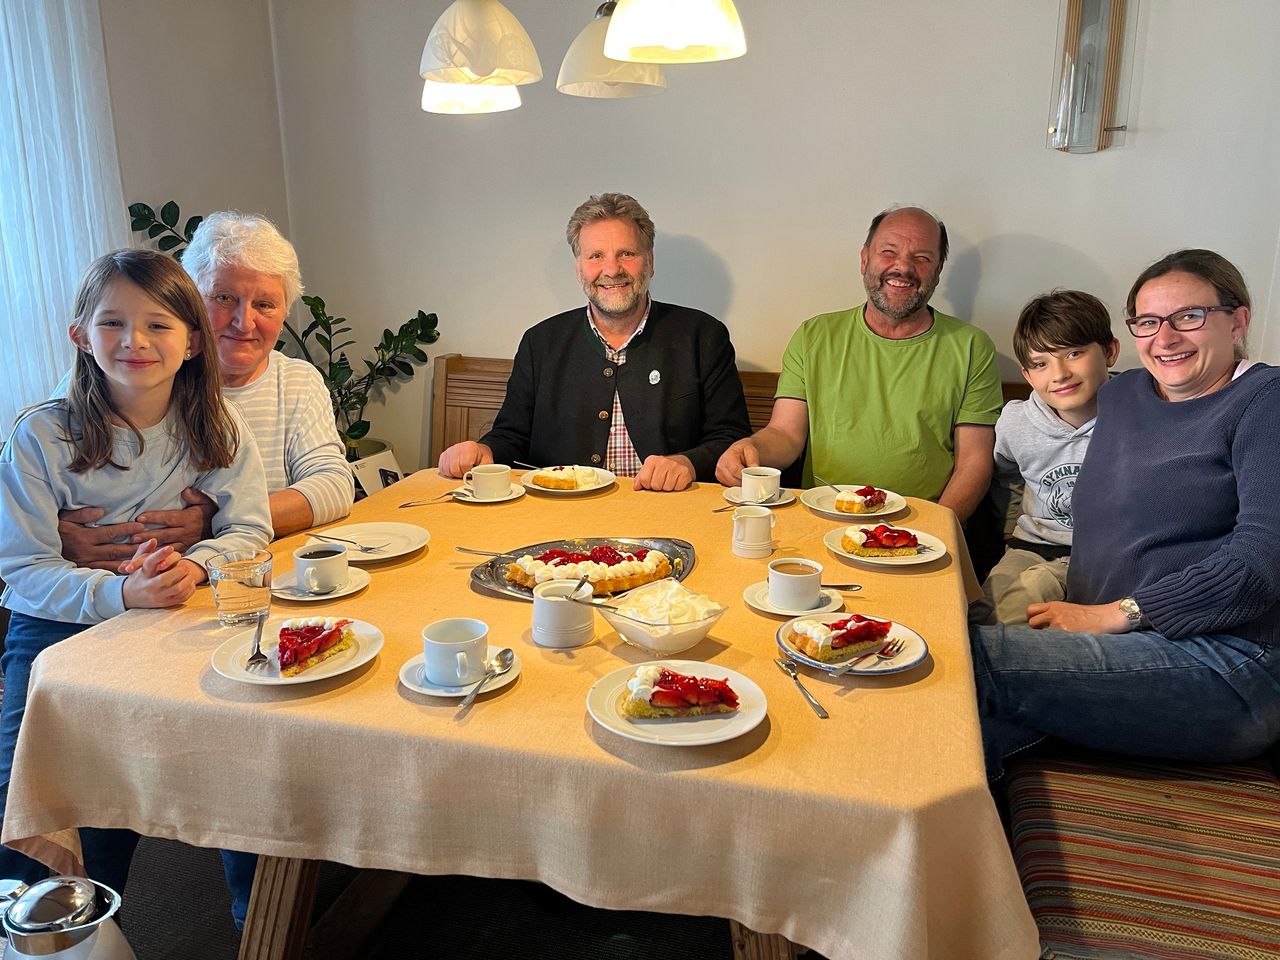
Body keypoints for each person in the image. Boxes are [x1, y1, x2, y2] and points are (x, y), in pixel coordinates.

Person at [0, 250, 273, 890]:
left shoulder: (218, 425)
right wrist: (122, 591)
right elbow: (23, 572)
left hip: (180, 611)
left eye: (158, 324)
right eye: (112, 323)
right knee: (27, 784)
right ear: (80, 335)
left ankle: (255, 913)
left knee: (238, 744)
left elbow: (250, 530)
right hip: (57, 626)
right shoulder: (41, 436)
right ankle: (58, 926)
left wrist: (196, 566)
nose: (135, 341)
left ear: (192, 342)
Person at [970, 249, 1280, 781]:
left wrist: (1120, 612)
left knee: (952, 660)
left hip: (1225, 661)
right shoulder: (1126, 395)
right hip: (1109, 648)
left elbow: (1264, 557)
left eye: (1189, 316)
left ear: (1240, 318)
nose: (1166, 337)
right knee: (959, 740)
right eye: (1148, 321)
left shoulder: (1265, 401)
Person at [57, 212, 354, 569]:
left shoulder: (296, 381)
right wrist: (51, 535)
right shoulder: (119, 379)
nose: (244, 322)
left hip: (228, 574)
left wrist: (221, 520)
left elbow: (334, 485)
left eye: (265, 304)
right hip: (109, 588)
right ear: (189, 304)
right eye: (224, 297)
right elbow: (36, 494)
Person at [437, 193, 750, 492]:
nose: (612, 270)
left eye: (626, 254)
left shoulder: (704, 336)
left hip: (665, 509)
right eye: (596, 256)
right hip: (560, 515)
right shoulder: (540, 343)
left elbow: (732, 437)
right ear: (579, 268)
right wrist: (483, 450)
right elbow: (512, 435)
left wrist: (689, 462)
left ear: (649, 261)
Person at [715, 206, 1002, 521]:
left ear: (938, 271)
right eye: (888, 252)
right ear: (865, 259)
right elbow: (785, 434)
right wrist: (750, 449)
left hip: (921, 528)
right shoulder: (814, 336)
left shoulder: (972, 346)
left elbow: (973, 464)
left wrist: (936, 530)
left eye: (922, 258)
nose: (903, 267)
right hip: (823, 518)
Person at [971, 291, 1119, 625]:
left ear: (1110, 351)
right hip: (1029, 544)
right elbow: (1005, 474)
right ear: (1027, 375)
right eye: (1041, 363)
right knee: (980, 609)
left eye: (1074, 353)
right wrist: (1010, 527)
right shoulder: (1017, 421)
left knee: (1023, 601)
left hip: (1097, 556)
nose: (1060, 373)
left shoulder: (1137, 414)